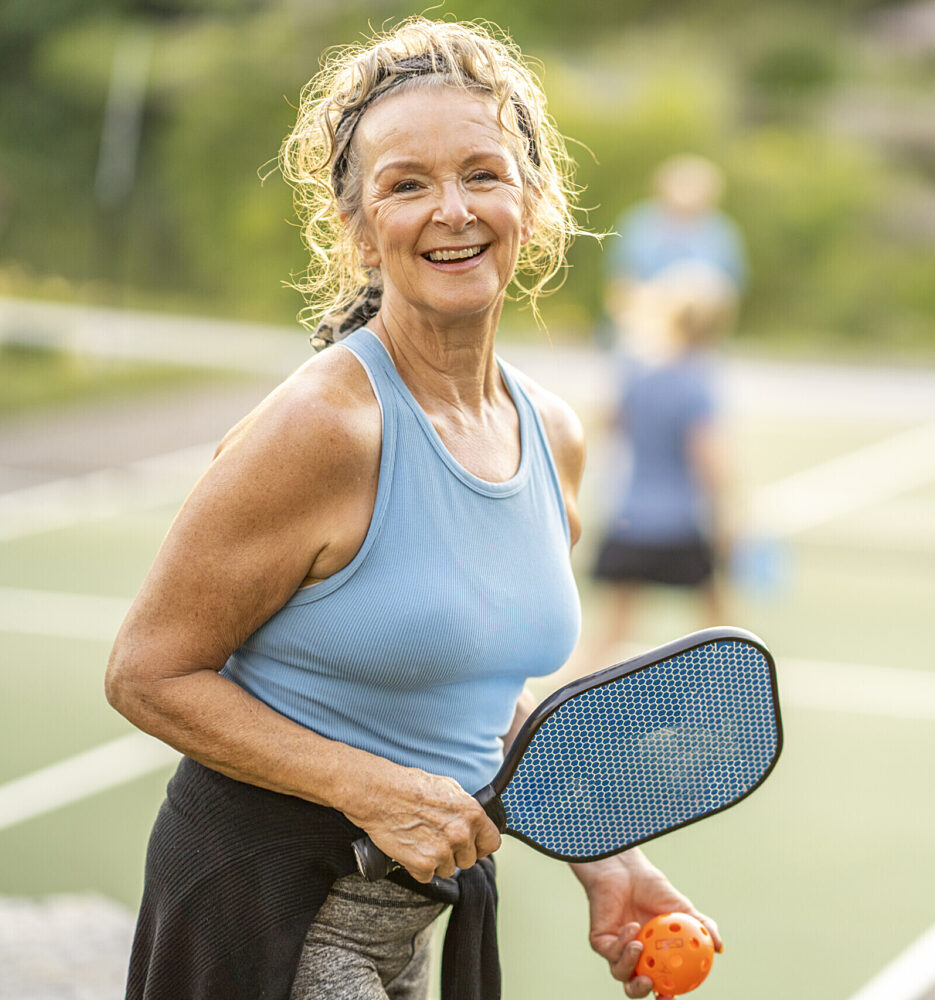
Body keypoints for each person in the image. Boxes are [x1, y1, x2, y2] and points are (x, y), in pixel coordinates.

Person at [105, 17, 720, 1000]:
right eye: (406, 184)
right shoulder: (321, 430)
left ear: (532, 199)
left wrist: (601, 853)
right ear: (355, 225)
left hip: (410, 919)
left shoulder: (551, 432)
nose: (453, 210)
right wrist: (367, 785)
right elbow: (145, 671)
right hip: (266, 908)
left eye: (483, 173)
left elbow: (476, 688)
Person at [568, 260, 740, 677]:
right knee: (722, 631)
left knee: (609, 634)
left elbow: (608, 422)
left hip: (630, 519)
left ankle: (562, 705)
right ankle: (742, 702)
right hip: (680, 525)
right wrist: (729, 527)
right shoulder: (697, 381)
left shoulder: (639, 372)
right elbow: (710, 465)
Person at [601, 154, 747, 350]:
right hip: (645, 317)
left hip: (698, 327)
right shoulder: (639, 224)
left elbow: (731, 287)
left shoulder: (721, 232)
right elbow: (620, 281)